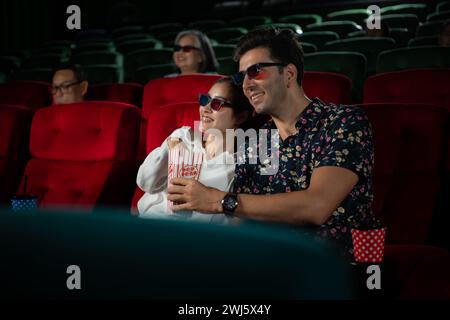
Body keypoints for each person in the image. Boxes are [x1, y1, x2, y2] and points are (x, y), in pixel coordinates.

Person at [167, 27, 380, 259]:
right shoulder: (255, 143)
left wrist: (218, 200)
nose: (246, 85)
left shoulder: (343, 121)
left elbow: (316, 206)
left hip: (340, 264)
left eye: (256, 71)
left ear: (289, 74)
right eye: (242, 77)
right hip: (275, 262)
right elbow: (241, 219)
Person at [136, 76, 252, 223]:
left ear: (240, 117)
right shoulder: (183, 137)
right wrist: (168, 147)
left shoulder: (238, 166)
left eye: (217, 104)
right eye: (204, 99)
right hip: (148, 223)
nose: (205, 108)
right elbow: (146, 183)